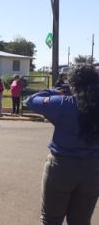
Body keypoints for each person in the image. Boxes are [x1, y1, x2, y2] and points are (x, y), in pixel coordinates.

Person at [26, 66, 99, 225]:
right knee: (81, 221)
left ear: (73, 84)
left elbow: (31, 100)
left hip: (62, 166)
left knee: (51, 220)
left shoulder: (63, 103)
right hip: (94, 169)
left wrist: (55, 91)